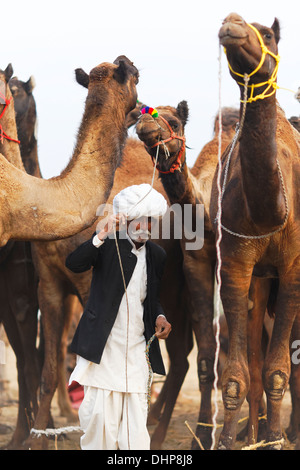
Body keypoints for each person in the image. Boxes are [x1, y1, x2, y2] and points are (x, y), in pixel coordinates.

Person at [66, 184, 172, 450]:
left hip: (136, 349)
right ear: (129, 220)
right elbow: (74, 264)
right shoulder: (108, 245)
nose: (147, 226)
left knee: (135, 423)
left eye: (152, 221)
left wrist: (160, 316)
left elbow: (152, 300)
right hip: (105, 346)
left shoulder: (157, 256)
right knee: (100, 418)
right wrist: (101, 235)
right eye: (142, 220)